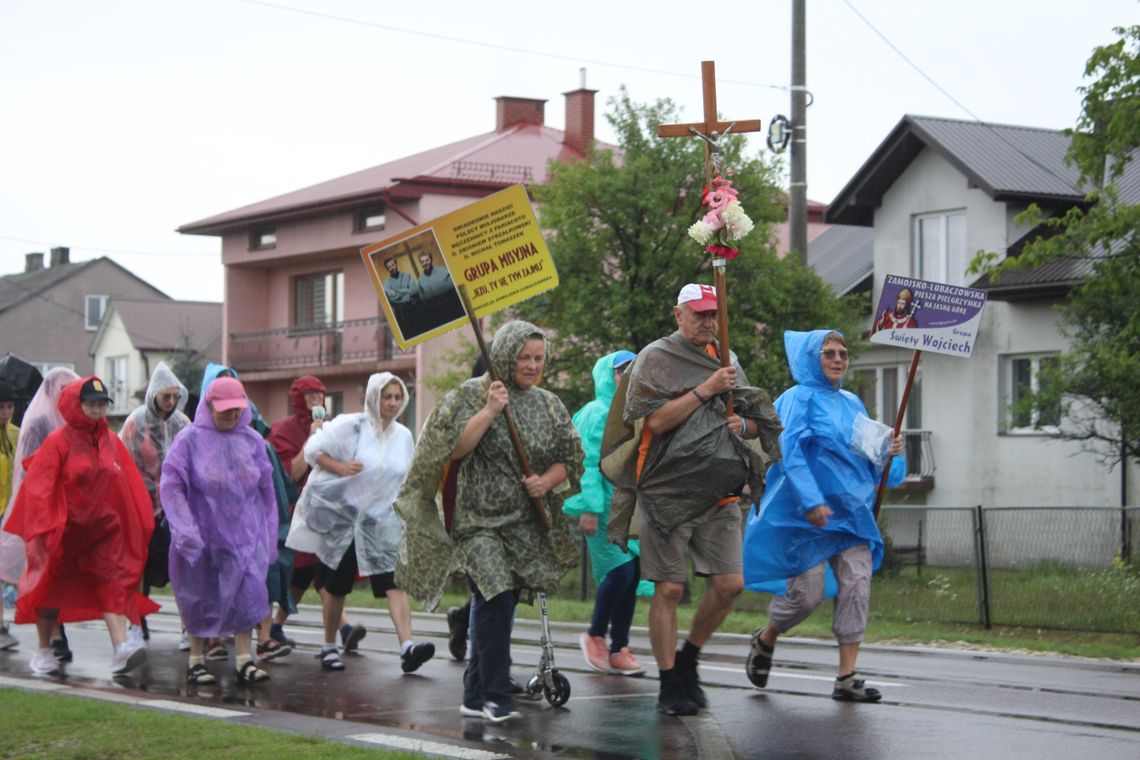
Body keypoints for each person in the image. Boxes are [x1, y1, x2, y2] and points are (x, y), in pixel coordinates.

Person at [604, 283, 781, 716]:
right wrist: (704, 389)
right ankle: (669, 682)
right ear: (677, 314)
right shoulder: (655, 359)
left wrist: (745, 428)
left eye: (714, 314)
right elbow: (651, 423)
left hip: (719, 493)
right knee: (669, 588)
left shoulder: (728, 358)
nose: (707, 322)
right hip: (667, 493)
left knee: (730, 585)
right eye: (699, 313)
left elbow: (753, 420)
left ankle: (689, 658)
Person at [395, 320, 583, 724]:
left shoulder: (549, 403)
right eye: (523, 358)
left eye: (538, 358)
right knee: (495, 593)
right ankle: (496, 694)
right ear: (504, 356)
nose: (532, 365)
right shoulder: (473, 393)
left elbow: (568, 458)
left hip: (523, 524)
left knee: (503, 600)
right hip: (477, 520)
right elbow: (453, 448)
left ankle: (475, 689)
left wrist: (544, 482)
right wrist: (490, 410)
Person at [742, 330, 905, 703]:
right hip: (806, 518)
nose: (837, 359)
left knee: (857, 585)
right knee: (806, 596)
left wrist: (889, 450)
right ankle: (766, 636)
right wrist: (812, 501)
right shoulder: (797, 399)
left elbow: (868, 454)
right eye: (828, 353)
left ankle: (846, 677)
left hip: (850, 516)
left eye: (843, 354)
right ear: (811, 358)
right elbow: (790, 452)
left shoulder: (852, 403)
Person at [3, 377, 158, 677]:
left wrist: (135, 521)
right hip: (65, 533)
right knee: (49, 590)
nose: (98, 410)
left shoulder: (110, 441)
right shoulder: (58, 442)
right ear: (76, 404)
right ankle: (43, 649)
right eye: (92, 403)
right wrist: (47, 529)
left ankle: (120, 647)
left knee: (111, 583)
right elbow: (39, 488)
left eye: (102, 403)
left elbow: (127, 483)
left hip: (103, 534)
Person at [286, 372, 434, 672]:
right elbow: (314, 450)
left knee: (394, 582)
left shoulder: (403, 436)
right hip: (345, 520)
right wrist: (340, 467)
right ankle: (329, 646)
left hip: (380, 523)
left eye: (397, 397)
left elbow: (407, 476)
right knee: (336, 585)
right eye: (387, 396)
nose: (392, 403)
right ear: (373, 397)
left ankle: (407, 646)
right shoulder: (351, 425)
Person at [161, 377, 278, 686]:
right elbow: (172, 485)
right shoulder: (189, 440)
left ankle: (243, 659)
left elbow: (266, 490)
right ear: (209, 406)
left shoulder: (253, 442)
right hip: (202, 534)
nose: (231, 416)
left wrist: (268, 532)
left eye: (237, 410)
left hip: (244, 536)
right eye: (225, 410)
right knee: (199, 594)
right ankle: (196, 660)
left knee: (248, 594)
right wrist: (185, 529)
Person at [562, 350, 652, 676]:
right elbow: (585, 463)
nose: (627, 377)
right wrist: (588, 507)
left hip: (630, 509)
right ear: (607, 375)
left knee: (632, 575)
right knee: (621, 573)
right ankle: (595, 635)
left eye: (633, 371)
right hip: (602, 509)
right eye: (620, 371)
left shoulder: (634, 413)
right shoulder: (596, 412)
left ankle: (619, 648)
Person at [268, 375, 365, 652]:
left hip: (328, 509)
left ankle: (277, 626)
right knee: (311, 568)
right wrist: (311, 439)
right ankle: (343, 628)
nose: (315, 400)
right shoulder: (282, 431)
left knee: (309, 572)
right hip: (296, 510)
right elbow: (292, 473)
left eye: (320, 395)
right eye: (309, 395)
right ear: (297, 398)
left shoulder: (335, 428)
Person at [0, 367, 80, 661]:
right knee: (42, 574)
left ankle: (57, 632)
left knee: (58, 574)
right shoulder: (38, 424)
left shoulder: (75, 424)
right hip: (40, 511)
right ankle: (51, 638)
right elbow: (28, 470)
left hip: (67, 511)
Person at [118, 361, 191, 641]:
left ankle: (188, 627)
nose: (170, 402)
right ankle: (136, 624)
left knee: (183, 568)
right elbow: (123, 463)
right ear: (153, 396)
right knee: (138, 568)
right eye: (165, 396)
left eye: (174, 397)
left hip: (176, 507)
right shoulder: (135, 423)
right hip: (141, 506)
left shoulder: (182, 423)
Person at [0, 381, 20, 650]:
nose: (5, 412)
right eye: (0, 407)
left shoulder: (18, 433)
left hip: (10, 512)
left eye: (9, 407)